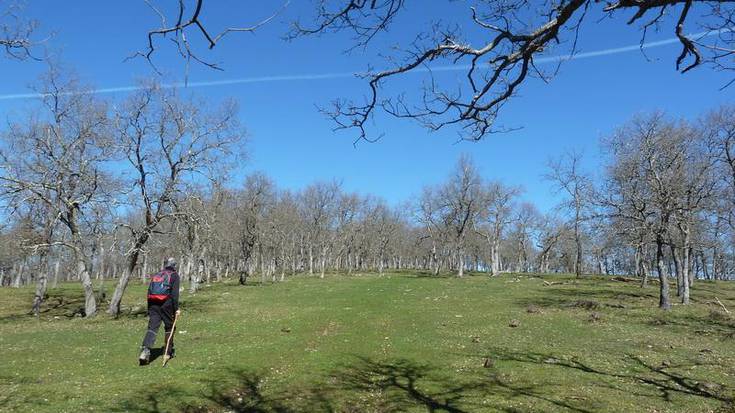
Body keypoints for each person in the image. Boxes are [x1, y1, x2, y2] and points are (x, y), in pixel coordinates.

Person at [139, 257, 180, 365]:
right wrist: (176, 309)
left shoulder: (157, 274)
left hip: (153, 303)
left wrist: (149, 308)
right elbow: (175, 295)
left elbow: (149, 291)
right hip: (167, 304)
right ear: (174, 266)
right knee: (170, 327)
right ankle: (168, 352)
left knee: (152, 327)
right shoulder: (174, 275)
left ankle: (145, 351)